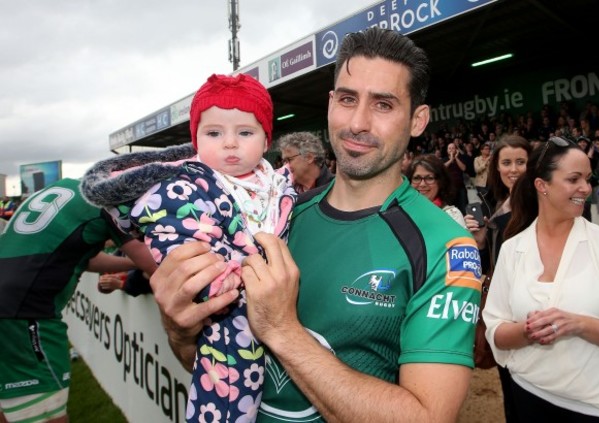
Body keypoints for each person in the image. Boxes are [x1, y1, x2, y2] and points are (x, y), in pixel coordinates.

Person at [149, 27, 481, 422]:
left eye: (383, 105)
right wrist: (179, 330)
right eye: (347, 99)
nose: (357, 122)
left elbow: (429, 417)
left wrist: (282, 331)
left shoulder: (446, 245)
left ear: (417, 120)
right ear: (330, 104)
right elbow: (214, 369)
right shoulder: (273, 221)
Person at [82, 73, 296, 423]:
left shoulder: (278, 185)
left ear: (266, 138)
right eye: (214, 133)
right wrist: (246, 277)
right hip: (227, 325)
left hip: (284, 326)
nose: (230, 143)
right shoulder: (175, 193)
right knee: (228, 407)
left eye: (245, 132)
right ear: (195, 139)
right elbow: (194, 271)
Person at [483, 137, 599, 421]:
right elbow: (496, 331)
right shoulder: (513, 248)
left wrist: (579, 324)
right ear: (542, 185)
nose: (586, 188)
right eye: (574, 179)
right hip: (529, 396)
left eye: (587, 178)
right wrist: (528, 331)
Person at [0, 178, 157, 423]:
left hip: (13, 302)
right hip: (26, 311)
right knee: (46, 414)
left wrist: (130, 263)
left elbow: (84, 259)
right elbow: (156, 265)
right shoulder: (112, 200)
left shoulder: (73, 187)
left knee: (13, 404)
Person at [464, 134, 531, 423]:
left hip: (535, 305)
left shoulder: (544, 203)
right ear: (497, 167)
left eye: (521, 162)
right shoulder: (490, 204)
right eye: (507, 163)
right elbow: (486, 265)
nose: (513, 169)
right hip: (502, 308)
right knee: (510, 386)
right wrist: (478, 241)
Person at [407, 154, 466, 227]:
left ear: (440, 182)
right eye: (416, 178)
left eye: (429, 178)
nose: (422, 184)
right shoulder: (401, 213)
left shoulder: (452, 216)